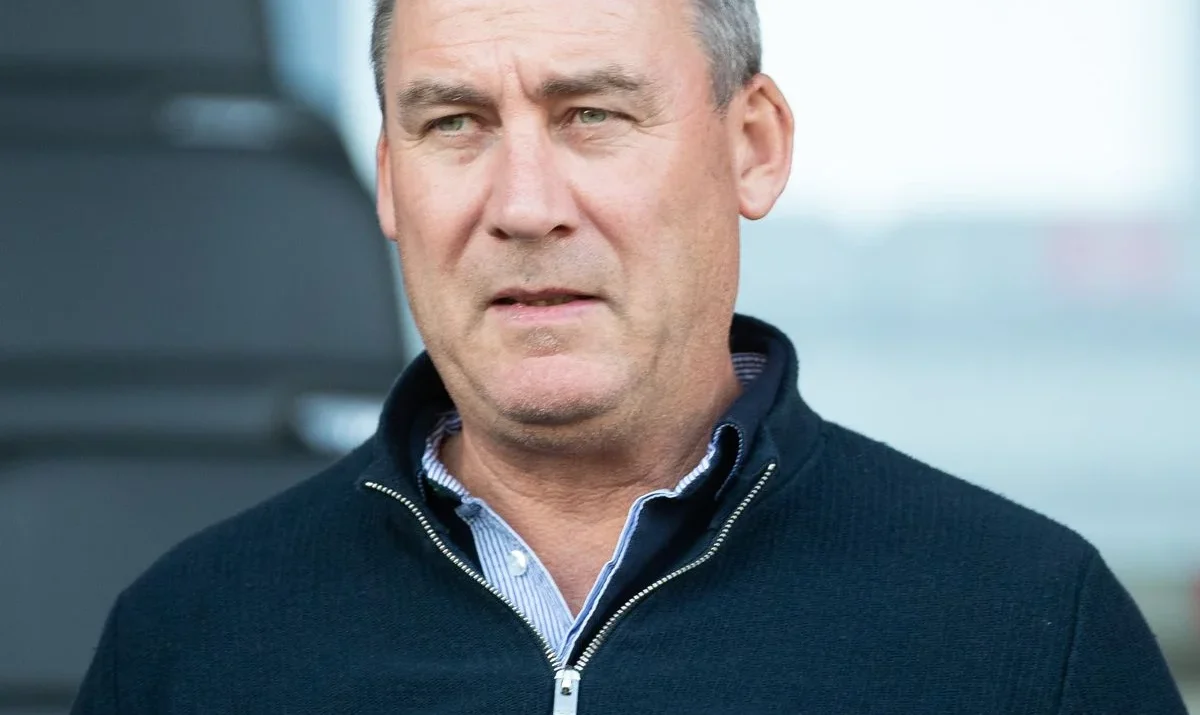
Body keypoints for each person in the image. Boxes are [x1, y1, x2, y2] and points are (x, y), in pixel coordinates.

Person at [71, 0, 1188, 712]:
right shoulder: (189, 641)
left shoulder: (1026, 629)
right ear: (389, 181)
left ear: (752, 147)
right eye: (454, 123)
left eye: (592, 114)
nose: (523, 204)